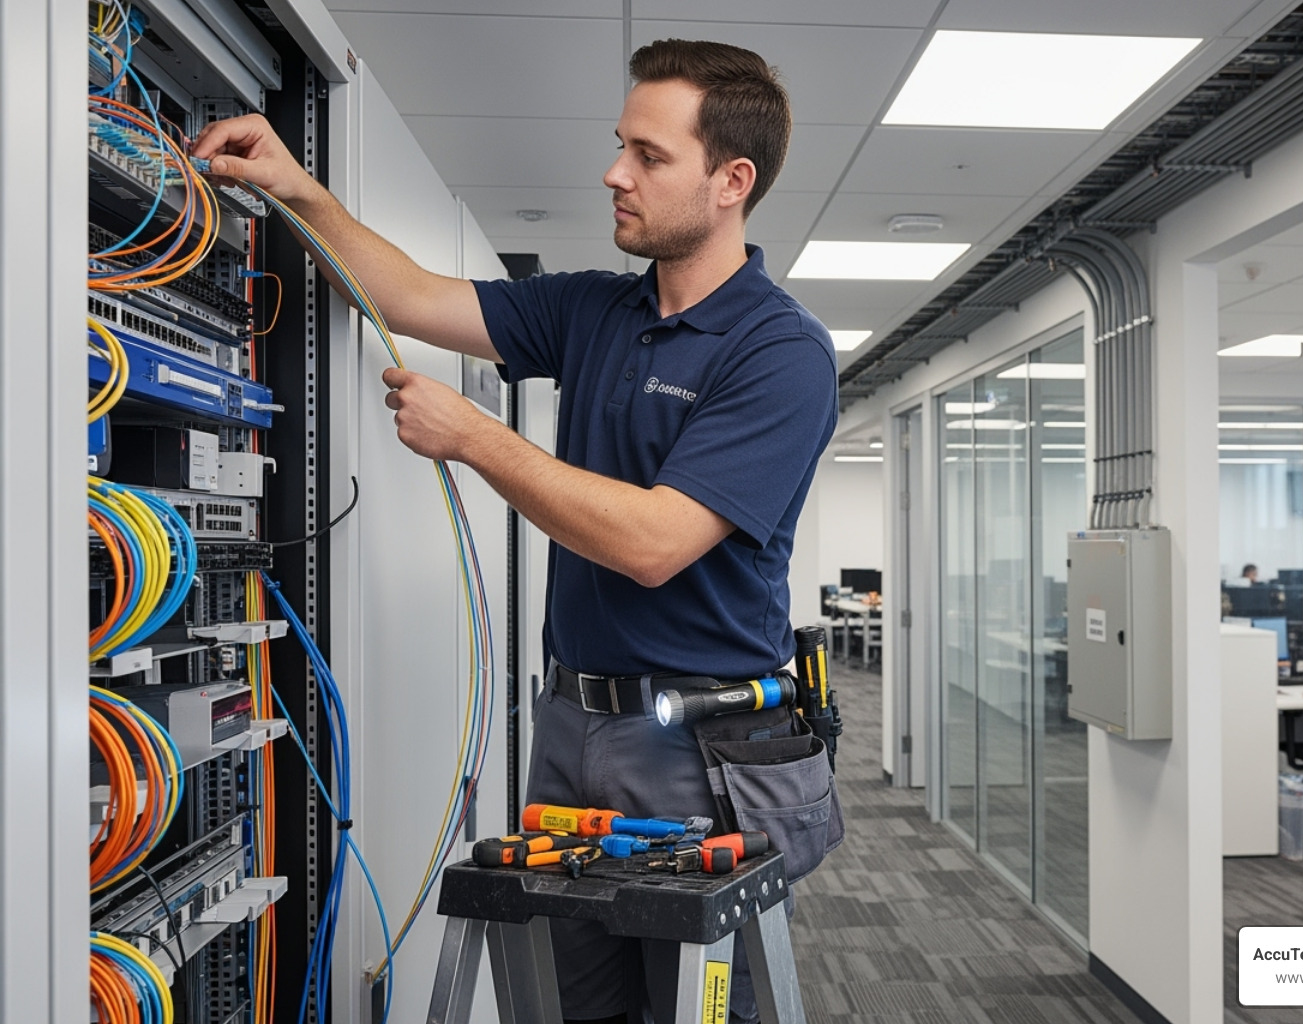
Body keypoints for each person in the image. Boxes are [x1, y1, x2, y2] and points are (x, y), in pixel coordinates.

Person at [194, 38, 838, 1023]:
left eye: (650, 156)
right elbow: (409, 296)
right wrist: (294, 187)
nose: (614, 172)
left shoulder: (779, 351)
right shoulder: (591, 310)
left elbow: (656, 542)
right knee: (575, 1004)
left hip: (697, 749)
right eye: (621, 145)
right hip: (573, 727)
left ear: (730, 181)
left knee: (695, 1011)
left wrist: (478, 441)